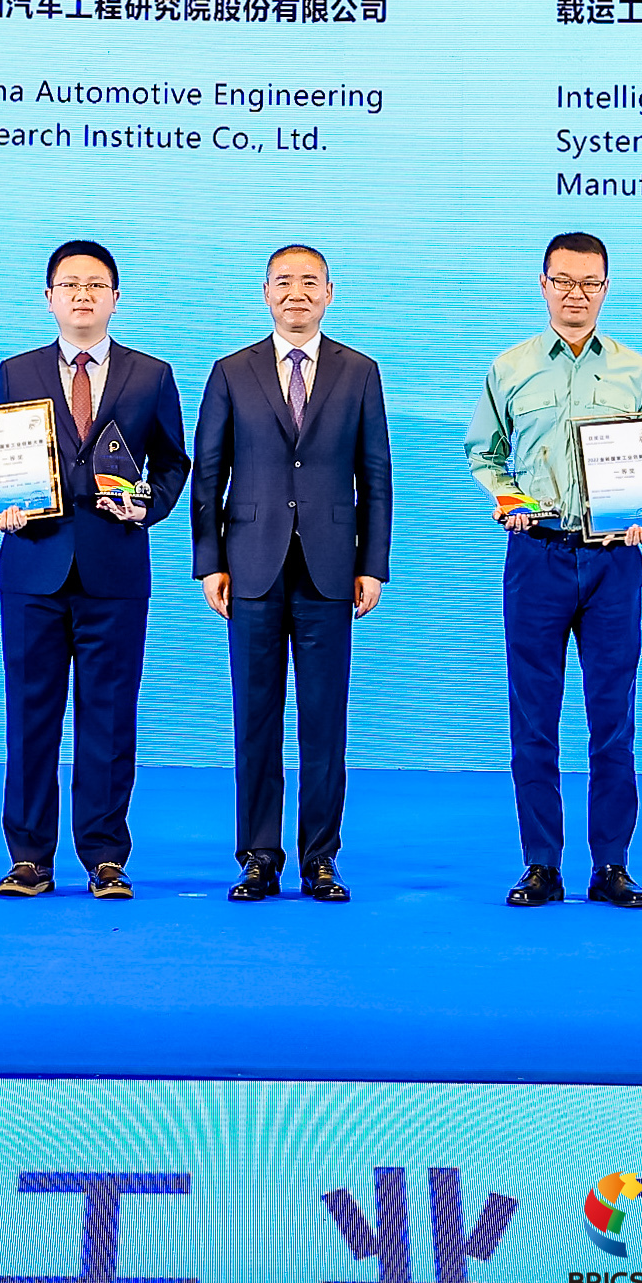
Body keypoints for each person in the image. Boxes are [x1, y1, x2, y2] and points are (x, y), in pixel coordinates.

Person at [0, 241, 193, 898]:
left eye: (95, 285)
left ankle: (104, 855)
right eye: (69, 284)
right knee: (29, 715)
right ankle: (28, 857)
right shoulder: (15, 372)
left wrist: (147, 508)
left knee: (109, 716)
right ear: (48, 297)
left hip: (115, 567)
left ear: (115, 299)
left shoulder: (151, 374)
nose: (82, 294)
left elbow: (173, 461)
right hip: (31, 567)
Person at [464, 231, 642, 910]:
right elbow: (485, 452)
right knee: (533, 717)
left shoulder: (636, 370)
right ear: (543, 284)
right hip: (537, 555)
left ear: (606, 288)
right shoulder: (511, 367)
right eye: (564, 281)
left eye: (590, 283)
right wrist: (510, 501)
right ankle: (541, 865)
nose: (576, 295)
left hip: (614, 561)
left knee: (613, 719)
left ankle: (611, 865)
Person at [191, 244, 392, 903]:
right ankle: (258, 856)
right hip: (250, 566)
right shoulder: (231, 371)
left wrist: (373, 565)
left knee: (324, 722)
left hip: (331, 569)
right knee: (255, 719)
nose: (296, 293)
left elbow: (376, 476)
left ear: (329, 293)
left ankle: (320, 859)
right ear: (265, 293)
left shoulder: (359, 372)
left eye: (310, 282)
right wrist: (209, 562)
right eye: (283, 282)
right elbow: (208, 474)